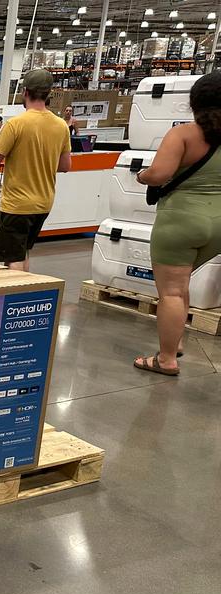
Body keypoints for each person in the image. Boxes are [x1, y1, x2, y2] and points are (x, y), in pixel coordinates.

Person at [132, 72, 221, 376]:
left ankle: (166, 358)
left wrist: (141, 176)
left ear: (194, 102)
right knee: (182, 283)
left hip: (182, 220)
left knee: (170, 290)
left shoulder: (183, 135)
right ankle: (177, 340)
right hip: (218, 224)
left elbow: (158, 174)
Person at [0, 69, 71, 271]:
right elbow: (65, 166)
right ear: (48, 93)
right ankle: (23, 298)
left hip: (17, 204)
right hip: (44, 202)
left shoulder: (15, 125)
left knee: (13, 257)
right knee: (23, 251)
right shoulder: (61, 125)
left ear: (25, 92)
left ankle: (12, 300)